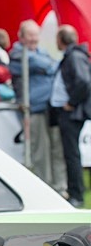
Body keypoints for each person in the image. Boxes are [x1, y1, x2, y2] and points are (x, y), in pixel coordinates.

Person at [9, 21, 67, 197]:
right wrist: (48, 66)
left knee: (57, 149)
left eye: (36, 35)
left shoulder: (41, 51)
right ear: (22, 36)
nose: (34, 39)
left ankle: (60, 188)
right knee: (40, 152)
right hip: (33, 108)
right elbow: (51, 65)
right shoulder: (18, 53)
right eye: (30, 35)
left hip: (50, 108)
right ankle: (45, 191)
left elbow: (53, 66)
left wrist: (48, 66)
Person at [50, 25, 91, 208]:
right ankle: (76, 191)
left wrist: (72, 103)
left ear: (60, 39)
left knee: (72, 154)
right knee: (71, 153)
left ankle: (76, 194)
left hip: (72, 113)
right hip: (69, 112)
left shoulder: (74, 56)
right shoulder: (74, 56)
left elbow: (83, 82)